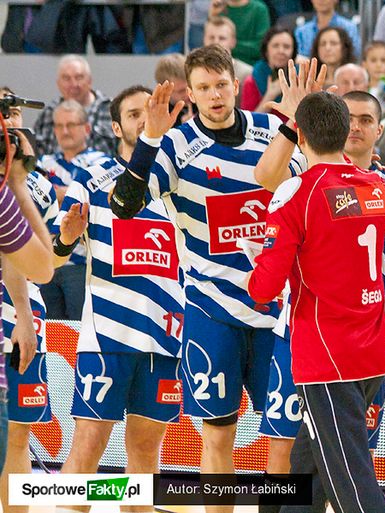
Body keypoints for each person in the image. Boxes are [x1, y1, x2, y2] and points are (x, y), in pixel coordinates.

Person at [108, 46, 306, 513]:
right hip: (211, 312)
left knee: (288, 437)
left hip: (276, 313)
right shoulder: (176, 145)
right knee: (218, 436)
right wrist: (150, 139)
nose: (215, 95)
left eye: (221, 85)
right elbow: (124, 205)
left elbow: (310, 188)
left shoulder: (271, 132)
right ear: (191, 95)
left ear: (236, 85)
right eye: (203, 88)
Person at [247, 91, 385, 513]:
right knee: (308, 471)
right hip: (371, 348)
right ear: (346, 133)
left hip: (327, 354)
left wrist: (257, 265)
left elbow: (264, 289)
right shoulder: (376, 185)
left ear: (302, 137)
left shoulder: (297, 192)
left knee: (351, 484)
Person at [52, 85, 184, 513]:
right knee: (87, 449)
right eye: (134, 114)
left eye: (152, 110)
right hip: (107, 338)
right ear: (115, 126)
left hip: (165, 340)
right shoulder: (92, 180)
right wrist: (67, 237)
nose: (146, 119)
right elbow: (55, 253)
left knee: (145, 454)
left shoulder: (179, 181)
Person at [0, 87, 58, 513]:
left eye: (13, 112)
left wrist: (23, 314)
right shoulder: (16, 186)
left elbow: (38, 261)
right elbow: (40, 263)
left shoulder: (38, 184)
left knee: (18, 432)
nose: (9, 121)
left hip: (20, 313)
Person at [37, 101, 109, 322]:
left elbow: (101, 201)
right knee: (52, 332)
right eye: (59, 126)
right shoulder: (44, 162)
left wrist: (60, 193)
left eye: (71, 124)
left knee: (79, 327)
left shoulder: (101, 164)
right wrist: (70, 192)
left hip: (82, 262)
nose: (65, 131)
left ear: (86, 128)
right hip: (46, 261)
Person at [33, 54, 115, 156]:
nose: (73, 84)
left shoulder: (111, 109)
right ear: (58, 83)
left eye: (79, 77)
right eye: (66, 78)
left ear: (89, 81)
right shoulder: (49, 113)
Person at [240, 26, 297, 112]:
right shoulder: (252, 81)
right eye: (275, 46)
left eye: (286, 47)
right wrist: (270, 95)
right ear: (266, 50)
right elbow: (248, 119)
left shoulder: (300, 79)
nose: (281, 51)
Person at [209, 0, 270, 65]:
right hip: (219, 64)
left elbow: (262, 48)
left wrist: (229, 45)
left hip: (250, 65)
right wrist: (212, 15)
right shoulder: (219, 8)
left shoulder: (259, 9)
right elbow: (210, 42)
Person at [294, 0, 360, 59]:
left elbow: (355, 56)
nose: (321, 1)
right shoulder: (301, 31)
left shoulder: (349, 27)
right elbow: (296, 58)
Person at [203, 16, 254, 87]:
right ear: (204, 39)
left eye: (222, 38)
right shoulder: (193, 71)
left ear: (233, 42)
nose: (216, 42)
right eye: (211, 37)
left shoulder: (247, 73)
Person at [154, 53, 195, 125]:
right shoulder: (156, 113)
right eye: (181, 91)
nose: (188, 93)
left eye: (191, 87)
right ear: (165, 90)